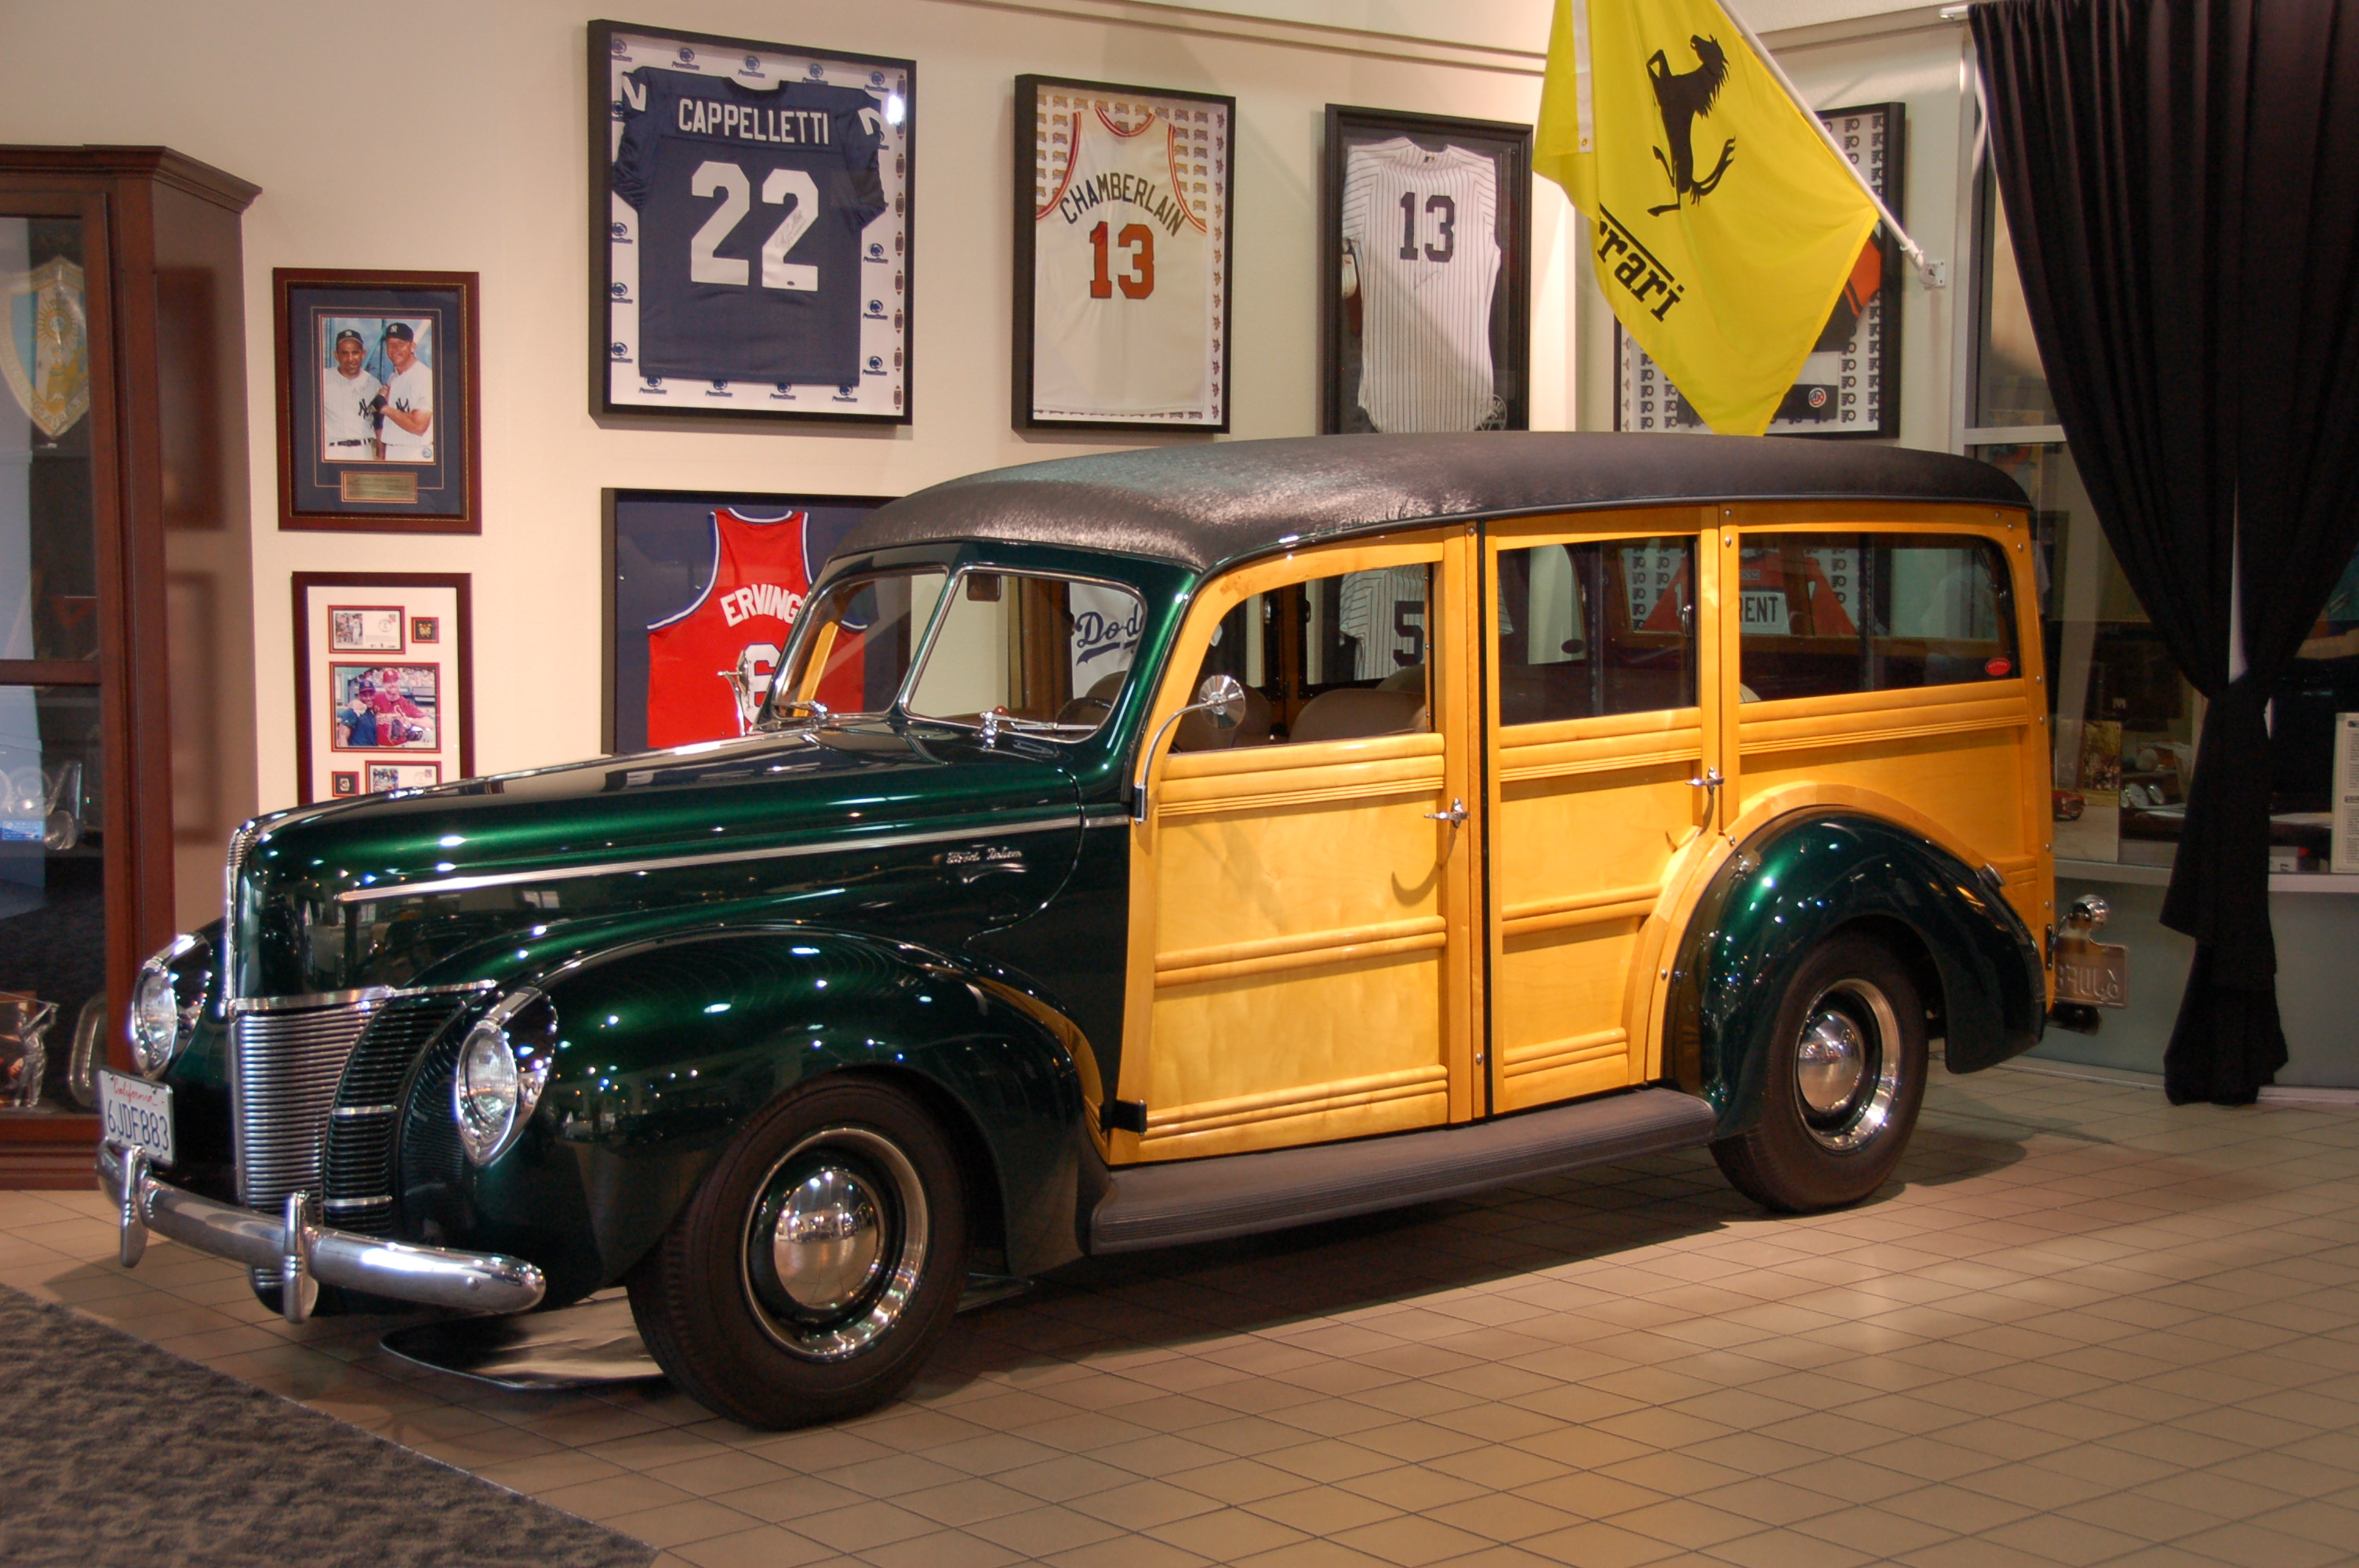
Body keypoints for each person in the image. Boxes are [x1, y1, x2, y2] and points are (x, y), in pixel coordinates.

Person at [321, 328, 383, 459]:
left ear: (363, 353)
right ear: (336, 355)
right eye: (345, 353)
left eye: (355, 353)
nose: (351, 359)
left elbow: (379, 422)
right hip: (332, 451)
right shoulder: (322, 378)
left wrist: (382, 453)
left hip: (363, 451)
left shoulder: (373, 384)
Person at [377, 321, 434, 462]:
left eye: (401, 343)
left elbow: (418, 425)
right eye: (390, 344)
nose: (395, 349)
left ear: (412, 346)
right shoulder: (393, 377)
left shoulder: (425, 377)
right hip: (392, 451)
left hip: (416, 453)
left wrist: (385, 408)